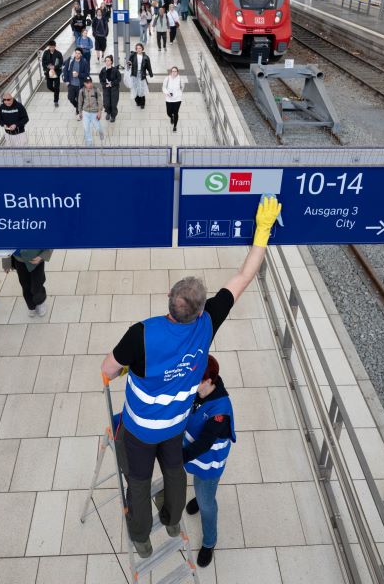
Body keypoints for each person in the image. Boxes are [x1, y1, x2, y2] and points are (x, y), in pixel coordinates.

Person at [101, 196, 282, 558]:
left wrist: (124, 367)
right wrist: (262, 231)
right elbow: (245, 275)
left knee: (136, 484)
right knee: (174, 473)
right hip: (174, 426)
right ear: (200, 310)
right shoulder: (207, 325)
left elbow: (107, 369)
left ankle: (141, 538)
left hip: (138, 429)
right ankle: (171, 519)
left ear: (169, 299)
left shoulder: (142, 333)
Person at [181, 355, 234, 569]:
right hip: (196, 459)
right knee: (199, 484)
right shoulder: (199, 392)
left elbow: (203, 445)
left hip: (209, 463)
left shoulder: (220, 411)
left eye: (197, 380)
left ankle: (209, 542)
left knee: (207, 503)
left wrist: (176, 458)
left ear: (209, 382)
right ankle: (200, 495)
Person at [9, 249, 53, 317]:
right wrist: (6, 262)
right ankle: (31, 305)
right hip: (19, 260)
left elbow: (51, 239)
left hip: (37, 258)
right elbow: (5, 241)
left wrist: (43, 255)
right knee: (25, 285)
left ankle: (40, 302)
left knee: (37, 284)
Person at [78, 77, 105, 146]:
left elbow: (100, 101)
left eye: (90, 82)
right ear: (84, 83)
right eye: (87, 83)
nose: (89, 84)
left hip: (94, 113)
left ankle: (101, 132)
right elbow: (80, 102)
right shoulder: (82, 91)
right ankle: (89, 144)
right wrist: (80, 113)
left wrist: (99, 112)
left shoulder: (96, 90)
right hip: (85, 113)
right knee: (86, 128)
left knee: (98, 127)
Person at [63, 47, 90, 114]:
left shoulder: (84, 62)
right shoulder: (70, 60)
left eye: (79, 53)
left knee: (79, 99)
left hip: (80, 85)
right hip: (71, 84)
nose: (77, 55)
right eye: (76, 53)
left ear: (81, 55)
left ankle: (78, 110)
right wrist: (66, 81)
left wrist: (78, 74)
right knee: (70, 98)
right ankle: (78, 107)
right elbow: (65, 70)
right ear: (74, 53)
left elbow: (87, 74)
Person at [128, 43, 153, 109]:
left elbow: (149, 66)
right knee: (135, 88)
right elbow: (128, 63)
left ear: (142, 49)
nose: (138, 49)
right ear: (136, 49)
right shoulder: (133, 55)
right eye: (137, 48)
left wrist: (150, 73)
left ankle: (142, 103)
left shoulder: (146, 57)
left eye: (140, 48)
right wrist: (129, 63)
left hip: (142, 74)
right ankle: (137, 101)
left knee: (141, 89)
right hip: (134, 74)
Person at [99, 54, 122, 122]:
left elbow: (119, 79)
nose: (107, 62)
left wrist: (111, 83)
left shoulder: (115, 70)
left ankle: (113, 116)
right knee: (106, 103)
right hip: (106, 89)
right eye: (106, 61)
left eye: (108, 61)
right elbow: (100, 79)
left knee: (113, 103)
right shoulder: (103, 70)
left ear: (111, 62)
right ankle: (108, 112)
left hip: (114, 89)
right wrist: (104, 84)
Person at [41, 40, 63, 107]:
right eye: (50, 47)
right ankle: (57, 92)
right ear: (48, 47)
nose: (51, 48)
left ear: (55, 46)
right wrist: (46, 68)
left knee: (56, 87)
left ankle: (56, 101)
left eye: (53, 47)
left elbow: (61, 63)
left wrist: (54, 67)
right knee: (49, 86)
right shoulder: (45, 53)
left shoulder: (58, 53)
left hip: (56, 73)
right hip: (48, 73)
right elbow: (43, 62)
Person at [162, 65, 184, 132]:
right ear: (171, 72)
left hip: (177, 99)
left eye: (175, 71)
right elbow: (164, 87)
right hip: (169, 98)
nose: (174, 72)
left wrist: (179, 93)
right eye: (173, 71)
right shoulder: (167, 78)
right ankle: (171, 117)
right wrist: (167, 93)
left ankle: (175, 126)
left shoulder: (180, 79)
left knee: (176, 112)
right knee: (168, 112)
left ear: (177, 72)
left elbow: (182, 87)